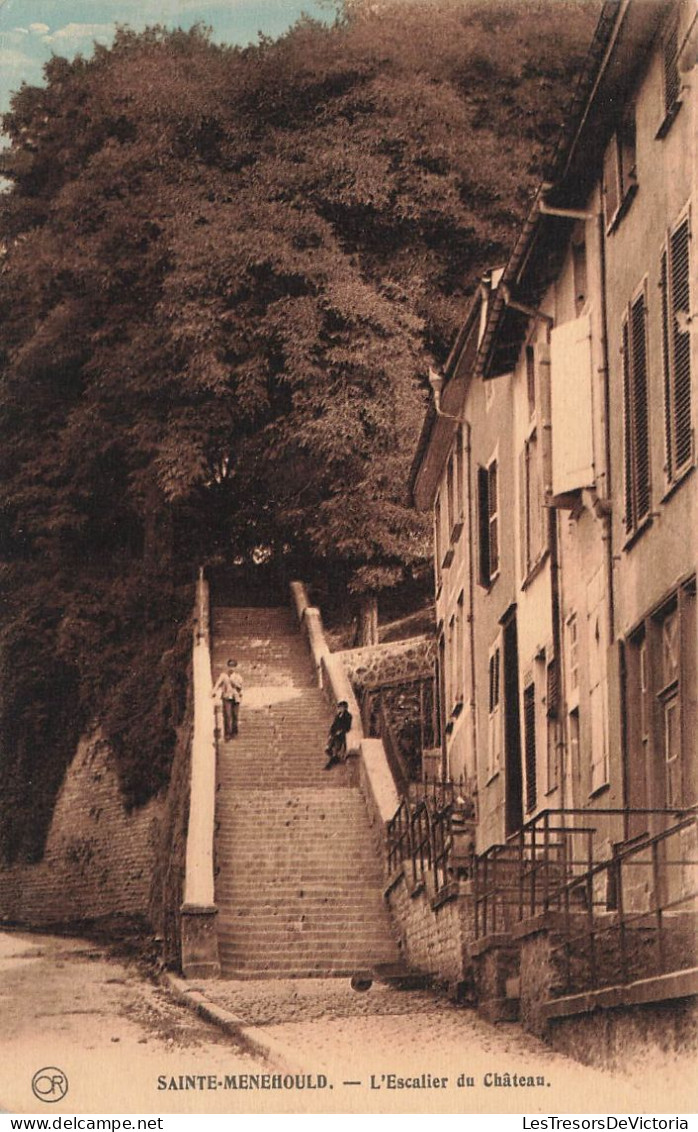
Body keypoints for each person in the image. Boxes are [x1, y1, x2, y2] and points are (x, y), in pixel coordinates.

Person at [212, 659, 243, 740]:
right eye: (230, 666)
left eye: (233, 666)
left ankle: (234, 732)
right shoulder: (224, 675)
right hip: (226, 697)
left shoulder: (238, 676)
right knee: (227, 715)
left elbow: (240, 687)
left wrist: (234, 682)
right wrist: (214, 691)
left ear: (235, 667)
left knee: (235, 715)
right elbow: (218, 683)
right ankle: (227, 734)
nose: (231, 668)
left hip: (236, 698)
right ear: (227, 666)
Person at [324, 700, 352, 768]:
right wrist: (331, 732)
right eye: (339, 707)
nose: (339, 709)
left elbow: (347, 727)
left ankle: (331, 762)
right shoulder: (338, 715)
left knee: (336, 747)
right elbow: (334, 725)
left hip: (341, 735)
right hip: (335, 734)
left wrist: (341, 731)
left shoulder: (348, 716)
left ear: (345, 708)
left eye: (341, 707)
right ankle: (335, 757)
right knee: (328, 749)